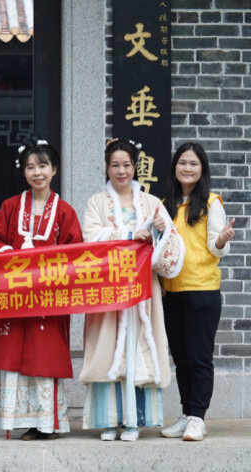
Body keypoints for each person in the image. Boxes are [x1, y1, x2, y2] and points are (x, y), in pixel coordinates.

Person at [79, 138, 185, 441]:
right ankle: (109, 421)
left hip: (142, 290)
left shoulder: (151, 203)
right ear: (106, 167)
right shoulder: (97, 203)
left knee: (138, 349)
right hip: (109, 289)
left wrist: (162, 232)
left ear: (135, 166)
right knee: (107, 349)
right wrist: (128, 234)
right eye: (115, 165)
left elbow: (171, 244)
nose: (121, 171)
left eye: (126, 164)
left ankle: (133, 422)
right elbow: (90, 239)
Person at [0, 141, 83, 440]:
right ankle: (19, 419)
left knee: (44, 356)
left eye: (42, 166)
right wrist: (12, 255)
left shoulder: (65, 212)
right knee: (13, 354)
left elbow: (75, 252)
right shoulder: (11, 206)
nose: (37, 172)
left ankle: (46, 424)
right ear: (24, 171)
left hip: (48, 299)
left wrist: (49, 269)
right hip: (14, 295)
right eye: (30, 167)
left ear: (54, 170)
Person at [160, 142, 235, 441]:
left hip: (202, 291)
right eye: (182, 162)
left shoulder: (210, 203)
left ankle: (198, 418)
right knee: (181, 358)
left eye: (193, 163)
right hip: (172, 291)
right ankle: (186, 413)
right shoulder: (166, 204)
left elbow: (218, 249)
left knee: (199, 357)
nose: (187, 168)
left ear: (202, 169)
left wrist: (222, 240)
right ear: (175, 167)